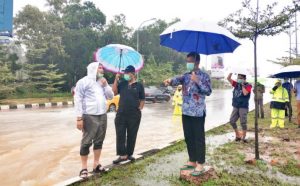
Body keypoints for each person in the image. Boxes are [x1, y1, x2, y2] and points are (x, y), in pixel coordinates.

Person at [164, 52, 212, 176]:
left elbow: (208, 91)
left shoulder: (204, 76)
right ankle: (192, 160)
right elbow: (177, 79)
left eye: (190, 61)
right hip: (186, 111)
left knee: (198, 138)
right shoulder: (186, 75)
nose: (188, 64)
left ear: (197, 62)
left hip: (198, 112)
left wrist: (197, 81)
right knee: (188, 137)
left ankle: (200, 163)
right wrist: (169, 80)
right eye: (187, 61)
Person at [74, 62, 114, 179]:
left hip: (102, 115)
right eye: (100, 68)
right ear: (93, 69)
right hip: (89, 116)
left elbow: (111, 96)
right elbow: (78, 99)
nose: (102, 70)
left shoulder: (102, 82)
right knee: (86, 142)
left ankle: (96, 164)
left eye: (102, 68)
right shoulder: (83, 82)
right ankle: (84, 168)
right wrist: (79, 118)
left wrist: (106, 85)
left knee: (99, 140)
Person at [112, 65, 145, 164]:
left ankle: (129, 154)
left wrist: (139, 108)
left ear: (133, 74)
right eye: (124, 73)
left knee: (132, 134)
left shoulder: (139, 85)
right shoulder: (122, 83)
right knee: (120, 134)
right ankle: (122, 155)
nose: (125, 75)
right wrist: (116, 79)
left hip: (134, 115)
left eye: (127, 73)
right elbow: (114, 92)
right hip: (121, 113)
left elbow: (142, 99)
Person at [227, 73, 252, 143]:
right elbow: (228, 79)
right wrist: (231, 73)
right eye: (238, 78)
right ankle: (238, 134)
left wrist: (243, 85)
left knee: (243, 122)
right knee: (232, 121)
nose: (239, 79)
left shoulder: (249, 85)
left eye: (240, 78)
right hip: (235, 105)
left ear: (244, 79)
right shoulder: (236, 84)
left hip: (243, 106)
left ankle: (243, 138)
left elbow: (245, 93)